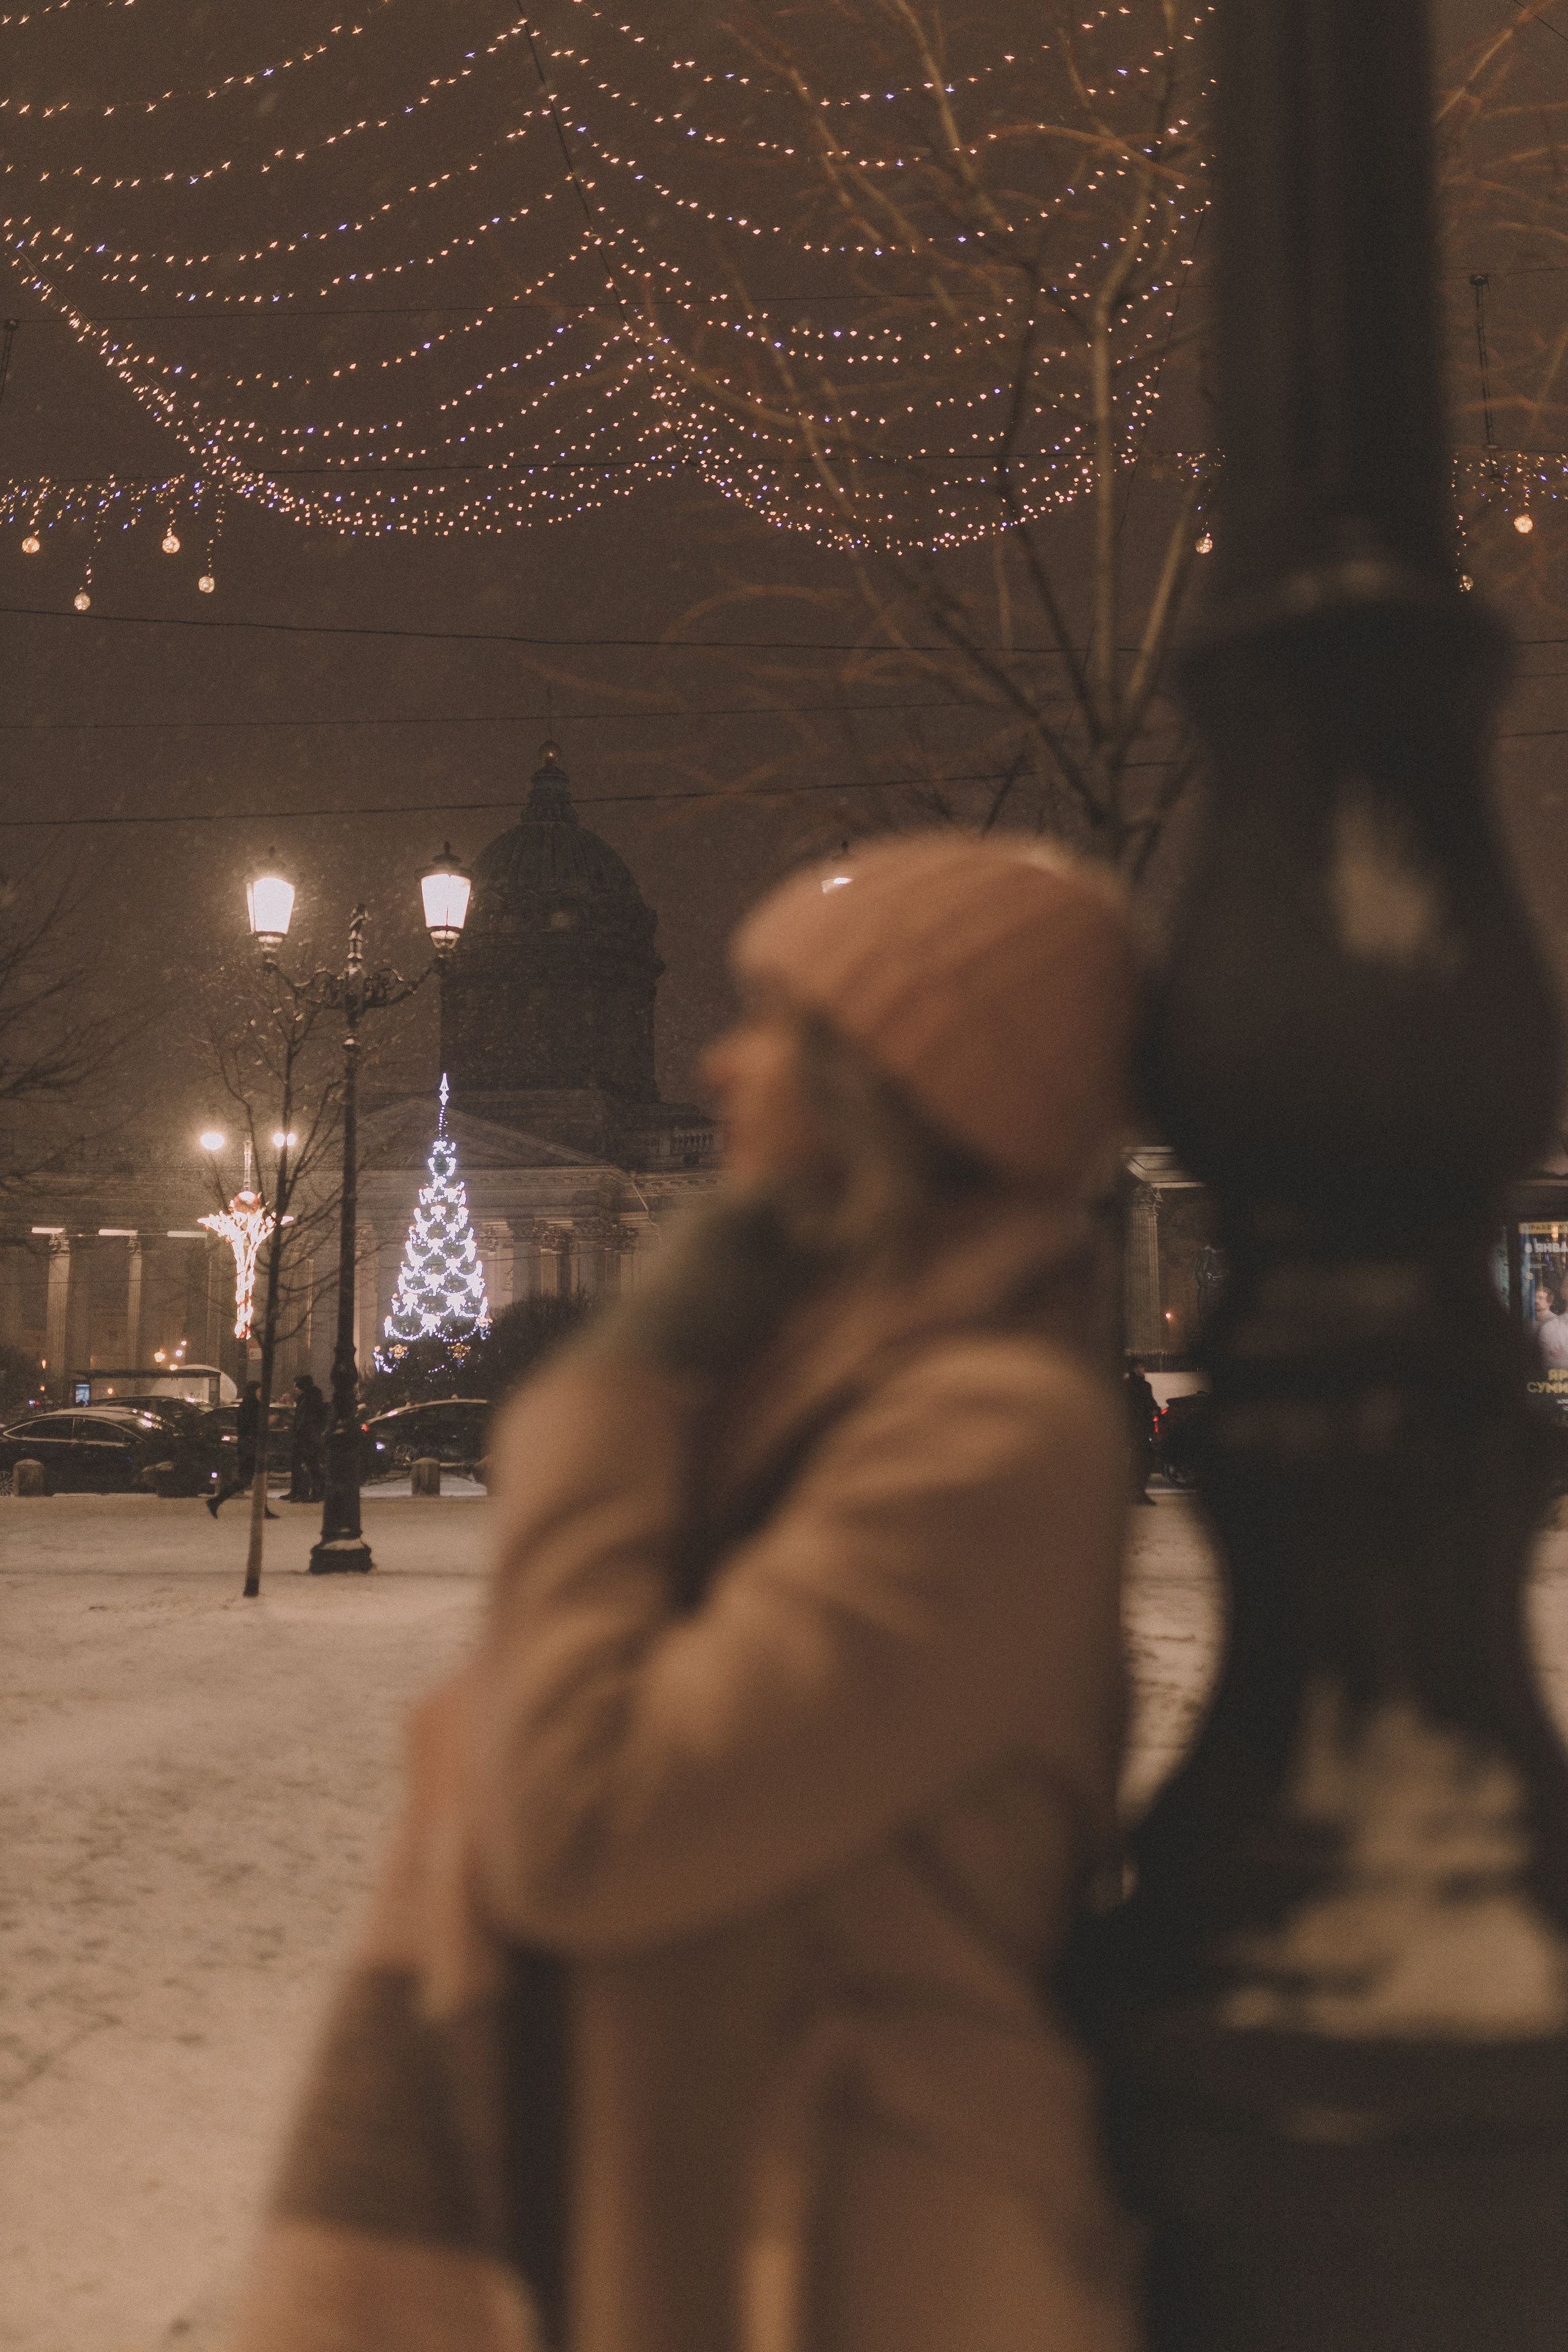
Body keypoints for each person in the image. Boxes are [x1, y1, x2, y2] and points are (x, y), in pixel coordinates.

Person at [231, 836, 1144, 2352]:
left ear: (899, 1088)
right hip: (737, 2195)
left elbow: (581, 1820)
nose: (717, 1065)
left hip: (870, 2243)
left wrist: (607, 1394)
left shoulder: (989, 1434)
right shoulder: (822, 1386)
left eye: (781, 1023)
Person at [206, 1380, 277, 1518]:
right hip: (252, 1447)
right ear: (254, 1391)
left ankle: (217, 1501)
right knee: (252, 1479)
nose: (261, 1393)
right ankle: (216, 1501)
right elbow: (250, 1426)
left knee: (251, 1479)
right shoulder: (252, 1406)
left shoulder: (248, 1405)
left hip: (249, 1446)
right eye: (259, 1390)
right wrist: (267, 1421)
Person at [1125, 1357, 1158, 1504]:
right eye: (1138, 1367)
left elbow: (1151, 1402)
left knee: (1143, 1459)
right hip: (1135, 1428)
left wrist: (1155, 1410)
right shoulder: (1129, 1386)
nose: (1140, 1370)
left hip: (1143, 1427)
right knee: (1141, 1459)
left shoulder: (1145, 1386)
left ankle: (1137, 1491)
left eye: (1142, 1367)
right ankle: (1136, 1491)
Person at [289, 1372, 327, 1502]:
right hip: (311, 1438)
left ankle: (315, 1493)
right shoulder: (313, 1398)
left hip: (307, 1439)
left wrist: (298, 1435)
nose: (296, 1390)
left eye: (298, 1387)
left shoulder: (307, 1401)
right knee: (311, 1467)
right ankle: (313, 1492)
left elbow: (303, 1421)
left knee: (310, 1467)